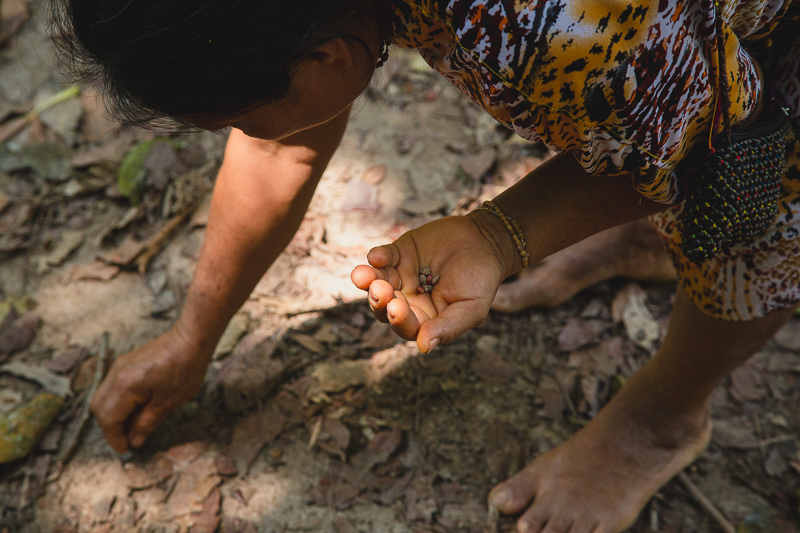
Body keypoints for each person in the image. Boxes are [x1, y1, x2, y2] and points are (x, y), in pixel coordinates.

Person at [51, 0, 800, 531]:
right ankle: (646, 216)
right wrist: (193, 336)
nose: (248, 132)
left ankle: (661, 420)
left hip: (741, 82)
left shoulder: (549, 33)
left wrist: (502, 235)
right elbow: (282, 138)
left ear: (326, 55)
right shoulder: (312, 20)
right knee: (652, 145)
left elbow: (725, 146)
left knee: (761, 204)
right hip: (654, 64)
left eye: (239, 117)